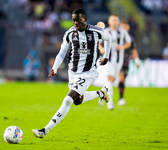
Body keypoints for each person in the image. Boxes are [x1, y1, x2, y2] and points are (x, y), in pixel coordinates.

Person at [32, 8, 111, 138]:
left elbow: (109, 38)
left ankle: (45, 130)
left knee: (68, 99)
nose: (75, 23)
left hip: (88, 73)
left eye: (78, 20)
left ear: (84, 19)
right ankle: (101, 93)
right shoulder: (69, 33)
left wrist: (106, 56)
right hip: (73, 72)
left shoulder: (96, 32)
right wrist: (55, 67)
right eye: (73, 20)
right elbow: (62, 52)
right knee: (77, 101)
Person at [98, 15, 131, 110]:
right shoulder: (105, 31)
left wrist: (122, 47)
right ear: (109, 21)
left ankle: (102, 94)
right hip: (108, 59)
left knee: (112, 80)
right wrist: (101, 49)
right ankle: (110, 102)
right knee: (110, 79)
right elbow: (98, 42)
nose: (114, 22)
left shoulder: (123, 32)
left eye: (116, 20)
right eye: (113, 20)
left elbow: (129, 43)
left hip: (119, 60)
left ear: (118, 22)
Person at [117, 20, 140, 106]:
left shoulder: (131, 38)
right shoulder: (117, 36)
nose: (124, 28)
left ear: (128, 27)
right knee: (120, 78)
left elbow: (134, 50)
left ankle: (120, 97)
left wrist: (136, 60)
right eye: (122, 26)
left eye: (125, 26)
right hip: (116, 60)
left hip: (126, 61)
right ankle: (121, 98)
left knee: (123, 79)